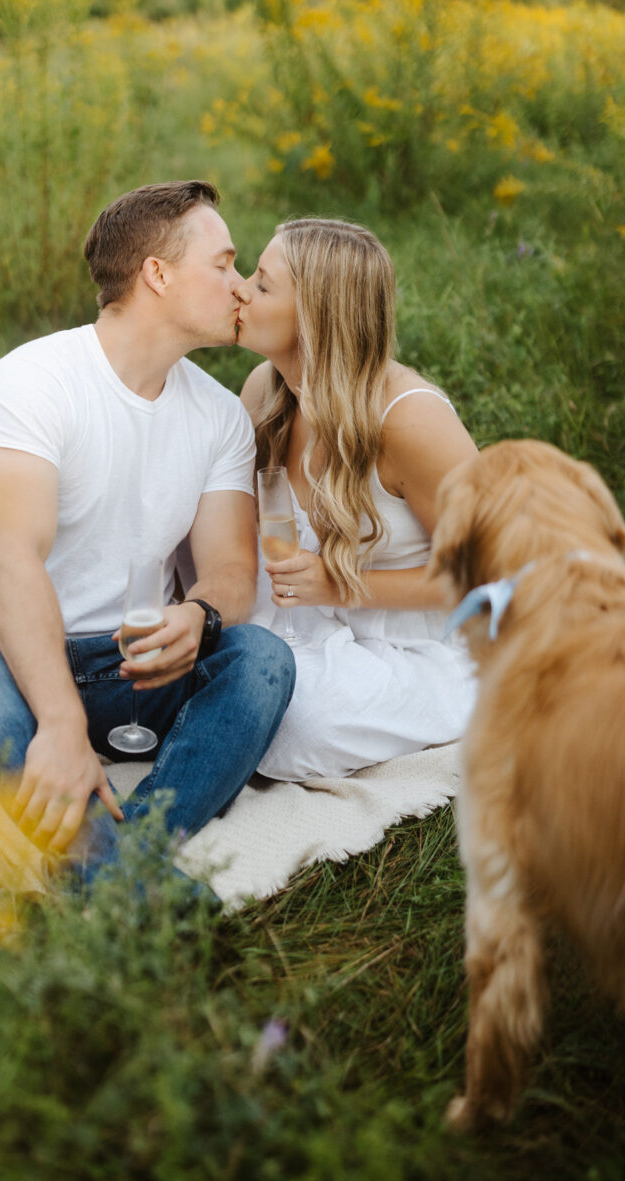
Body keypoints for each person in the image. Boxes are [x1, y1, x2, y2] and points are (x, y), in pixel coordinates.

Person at [0, 180, 295, 880]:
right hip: (2, 655)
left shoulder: (218, 417)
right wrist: (59, 722)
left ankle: (128, 853)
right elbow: (10, 560)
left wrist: (199, 617)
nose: (241, 287)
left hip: (133, 668)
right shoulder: (27, 382)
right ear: (157, 272)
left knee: (262, 659)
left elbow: (233, 572)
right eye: (224, 264)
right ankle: (137, 900)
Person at [235, 218, 478, 781]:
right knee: (216, 675)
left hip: (425, 647)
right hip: (311, 623)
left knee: (294, 726)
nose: (241, 288)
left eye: (263, 284)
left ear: (316, 316)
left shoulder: (411, 421)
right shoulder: (265, 390)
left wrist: (339, 584)